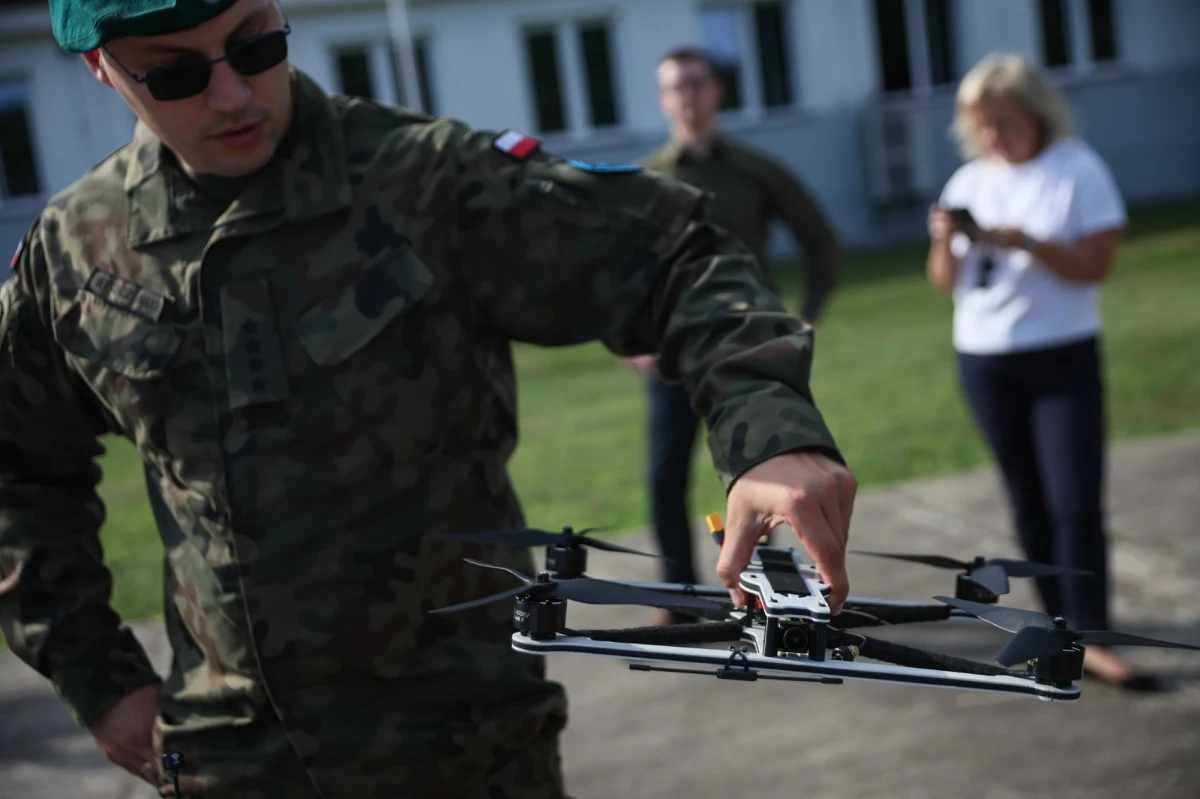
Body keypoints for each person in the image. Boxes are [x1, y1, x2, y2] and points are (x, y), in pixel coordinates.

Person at [0, 1, 858, 796]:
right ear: (102, 69)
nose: (233, 90)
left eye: (256, 44)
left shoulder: (425, 182)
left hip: (461, 748)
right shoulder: (77, 250)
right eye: (178, 72)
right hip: (236, 758)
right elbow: (17, 468)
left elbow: (681, 255)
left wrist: (771, 436)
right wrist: (100, 680)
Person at [926, 52, 1158, 692]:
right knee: (1027, 504)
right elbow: (945, 284)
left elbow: (1097, 265)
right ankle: (1060, 633)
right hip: (984, 359)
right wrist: (946, 238)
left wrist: (1023, 241)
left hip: (1061, 355)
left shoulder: (1076, 168)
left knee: (1075, 503)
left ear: (1036, 113)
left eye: (1005, 120)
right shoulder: (969, 180)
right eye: (983, 124)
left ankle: (1097, 634)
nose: (994, 135)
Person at [630, 47, 843, 622]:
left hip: (747, 353)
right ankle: (677, 596)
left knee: (763, 471)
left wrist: (806, 315)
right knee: (665, 474)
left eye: (697, 84)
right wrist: (632, 340)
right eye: (676, 87)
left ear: (716, 91)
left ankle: (762, 591)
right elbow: (620, 269)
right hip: (675, 352)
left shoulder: (754, 169)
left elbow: (820, 238)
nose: (688, 97)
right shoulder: (650, 178)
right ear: (663, 99)